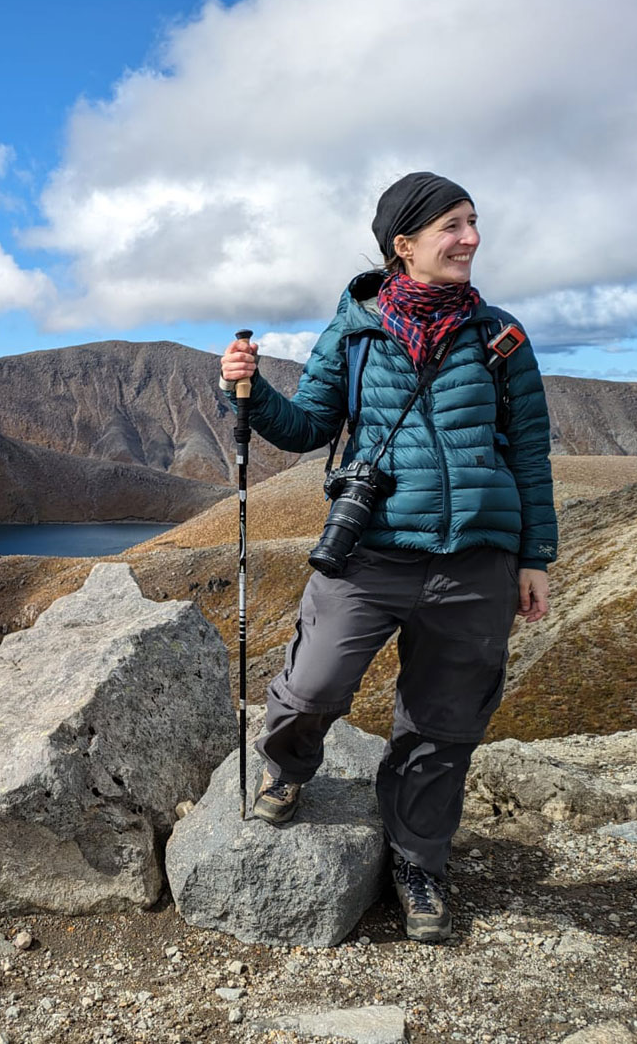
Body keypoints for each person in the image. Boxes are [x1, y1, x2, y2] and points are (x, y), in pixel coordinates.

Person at [217, 171, 556, 943]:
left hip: (477, 561)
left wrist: (534, 553)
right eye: (452, 227)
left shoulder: (501, 336)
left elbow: (530, 451)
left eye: (473, 222)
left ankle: (418, 860)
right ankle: (287, 763)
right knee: (313, 683)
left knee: (442, 725)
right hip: (370, 550)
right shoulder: (356, 331)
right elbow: (306, 426)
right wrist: (249, 393)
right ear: (403, 246)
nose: (470, 238)